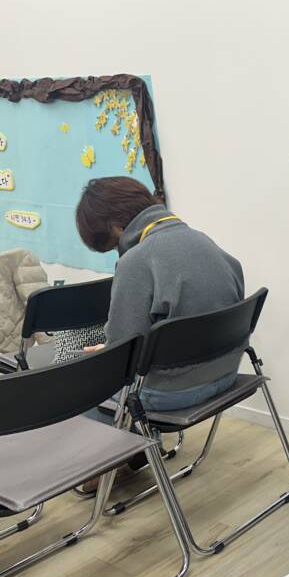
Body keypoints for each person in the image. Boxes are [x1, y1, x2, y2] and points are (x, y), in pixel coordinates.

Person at [75, 176, 244, 410]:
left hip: (171, 392)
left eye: (113, 245)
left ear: (116, 227)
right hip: (227, 374)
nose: (118, 250)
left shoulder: (136, 260)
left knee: (75, 388)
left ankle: (124, 435)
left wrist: (110, 346)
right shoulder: (203, 240)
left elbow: (124, 349)